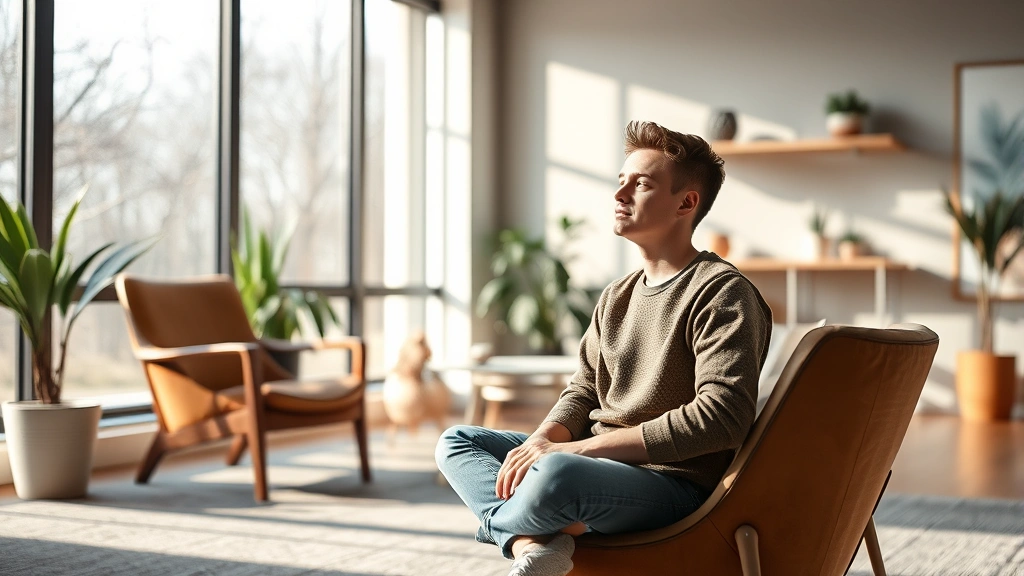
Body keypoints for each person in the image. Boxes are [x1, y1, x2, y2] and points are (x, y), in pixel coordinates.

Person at [435, 120, 773, 576]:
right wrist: (541, 441)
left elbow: (723, 418)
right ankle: (530, 545)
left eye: (642, 185)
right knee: (459, 442)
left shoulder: (723, 293)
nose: (620, 195)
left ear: (686, 203)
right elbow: (583, 391)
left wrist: (575, 454)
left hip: (673, 483)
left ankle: (525, 530)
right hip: (593, 463)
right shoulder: (617, 295)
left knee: (556, 477)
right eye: (621, 183)